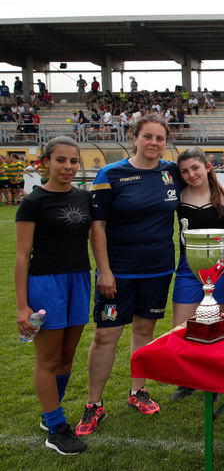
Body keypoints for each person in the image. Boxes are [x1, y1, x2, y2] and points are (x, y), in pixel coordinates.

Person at [76, 116, 180, 436]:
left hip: (158, 269)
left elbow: (207, 185)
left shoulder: (171, 172)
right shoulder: (111, 174)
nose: (153, 143)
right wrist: (105, 271)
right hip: (117, 273)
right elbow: (97, 226)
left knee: (144, 331)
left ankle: (137, 392)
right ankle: (94, 404)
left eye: (159, 138)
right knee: (106, 334)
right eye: (147, 136)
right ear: (134, 138)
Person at [15, 137, 92, 455]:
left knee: (67, 355)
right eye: (61, 160)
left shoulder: (85, 198)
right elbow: (22, 256)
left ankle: (51, 415)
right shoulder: (33, 202)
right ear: (46, 161)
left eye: (73, 161)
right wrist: (22, 306)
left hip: (80, 280)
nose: (68, 167)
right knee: (47, 359)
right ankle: (57, 427)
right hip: (46, 284)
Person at [169, 148, 224, 401]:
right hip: (188, 267)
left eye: (195, 168)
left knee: (215, 326)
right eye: (184, 171)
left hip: (220, 268)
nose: (190, 174)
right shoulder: (177, 196)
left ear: (208, 166)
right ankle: (188, 380)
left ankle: (215, 379)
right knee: (181, 327)